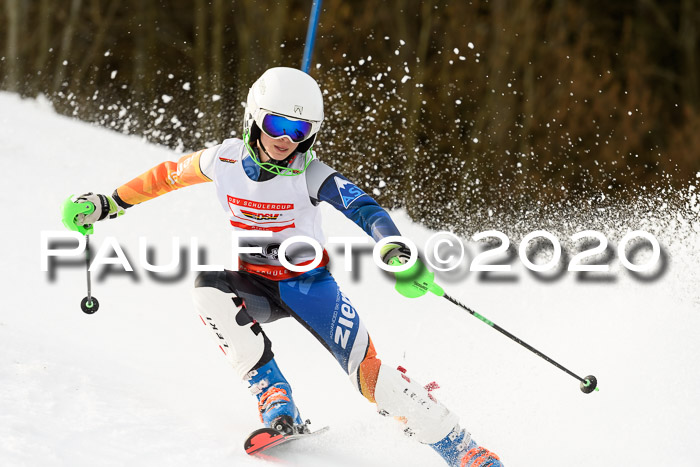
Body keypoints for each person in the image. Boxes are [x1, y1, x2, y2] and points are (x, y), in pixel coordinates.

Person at [67, 67, 503, 467]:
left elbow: (365, 208)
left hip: (309, 286)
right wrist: (109, 203)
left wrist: (395, 249)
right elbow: (166, 175)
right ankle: (276, 399)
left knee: (370, 377)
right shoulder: (222, 160)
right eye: (277, 124)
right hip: (254, 284)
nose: (286, 139)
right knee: (207, 289)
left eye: (300, 130)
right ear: (254, 119)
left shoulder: (310, 174)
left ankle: (460, 447)